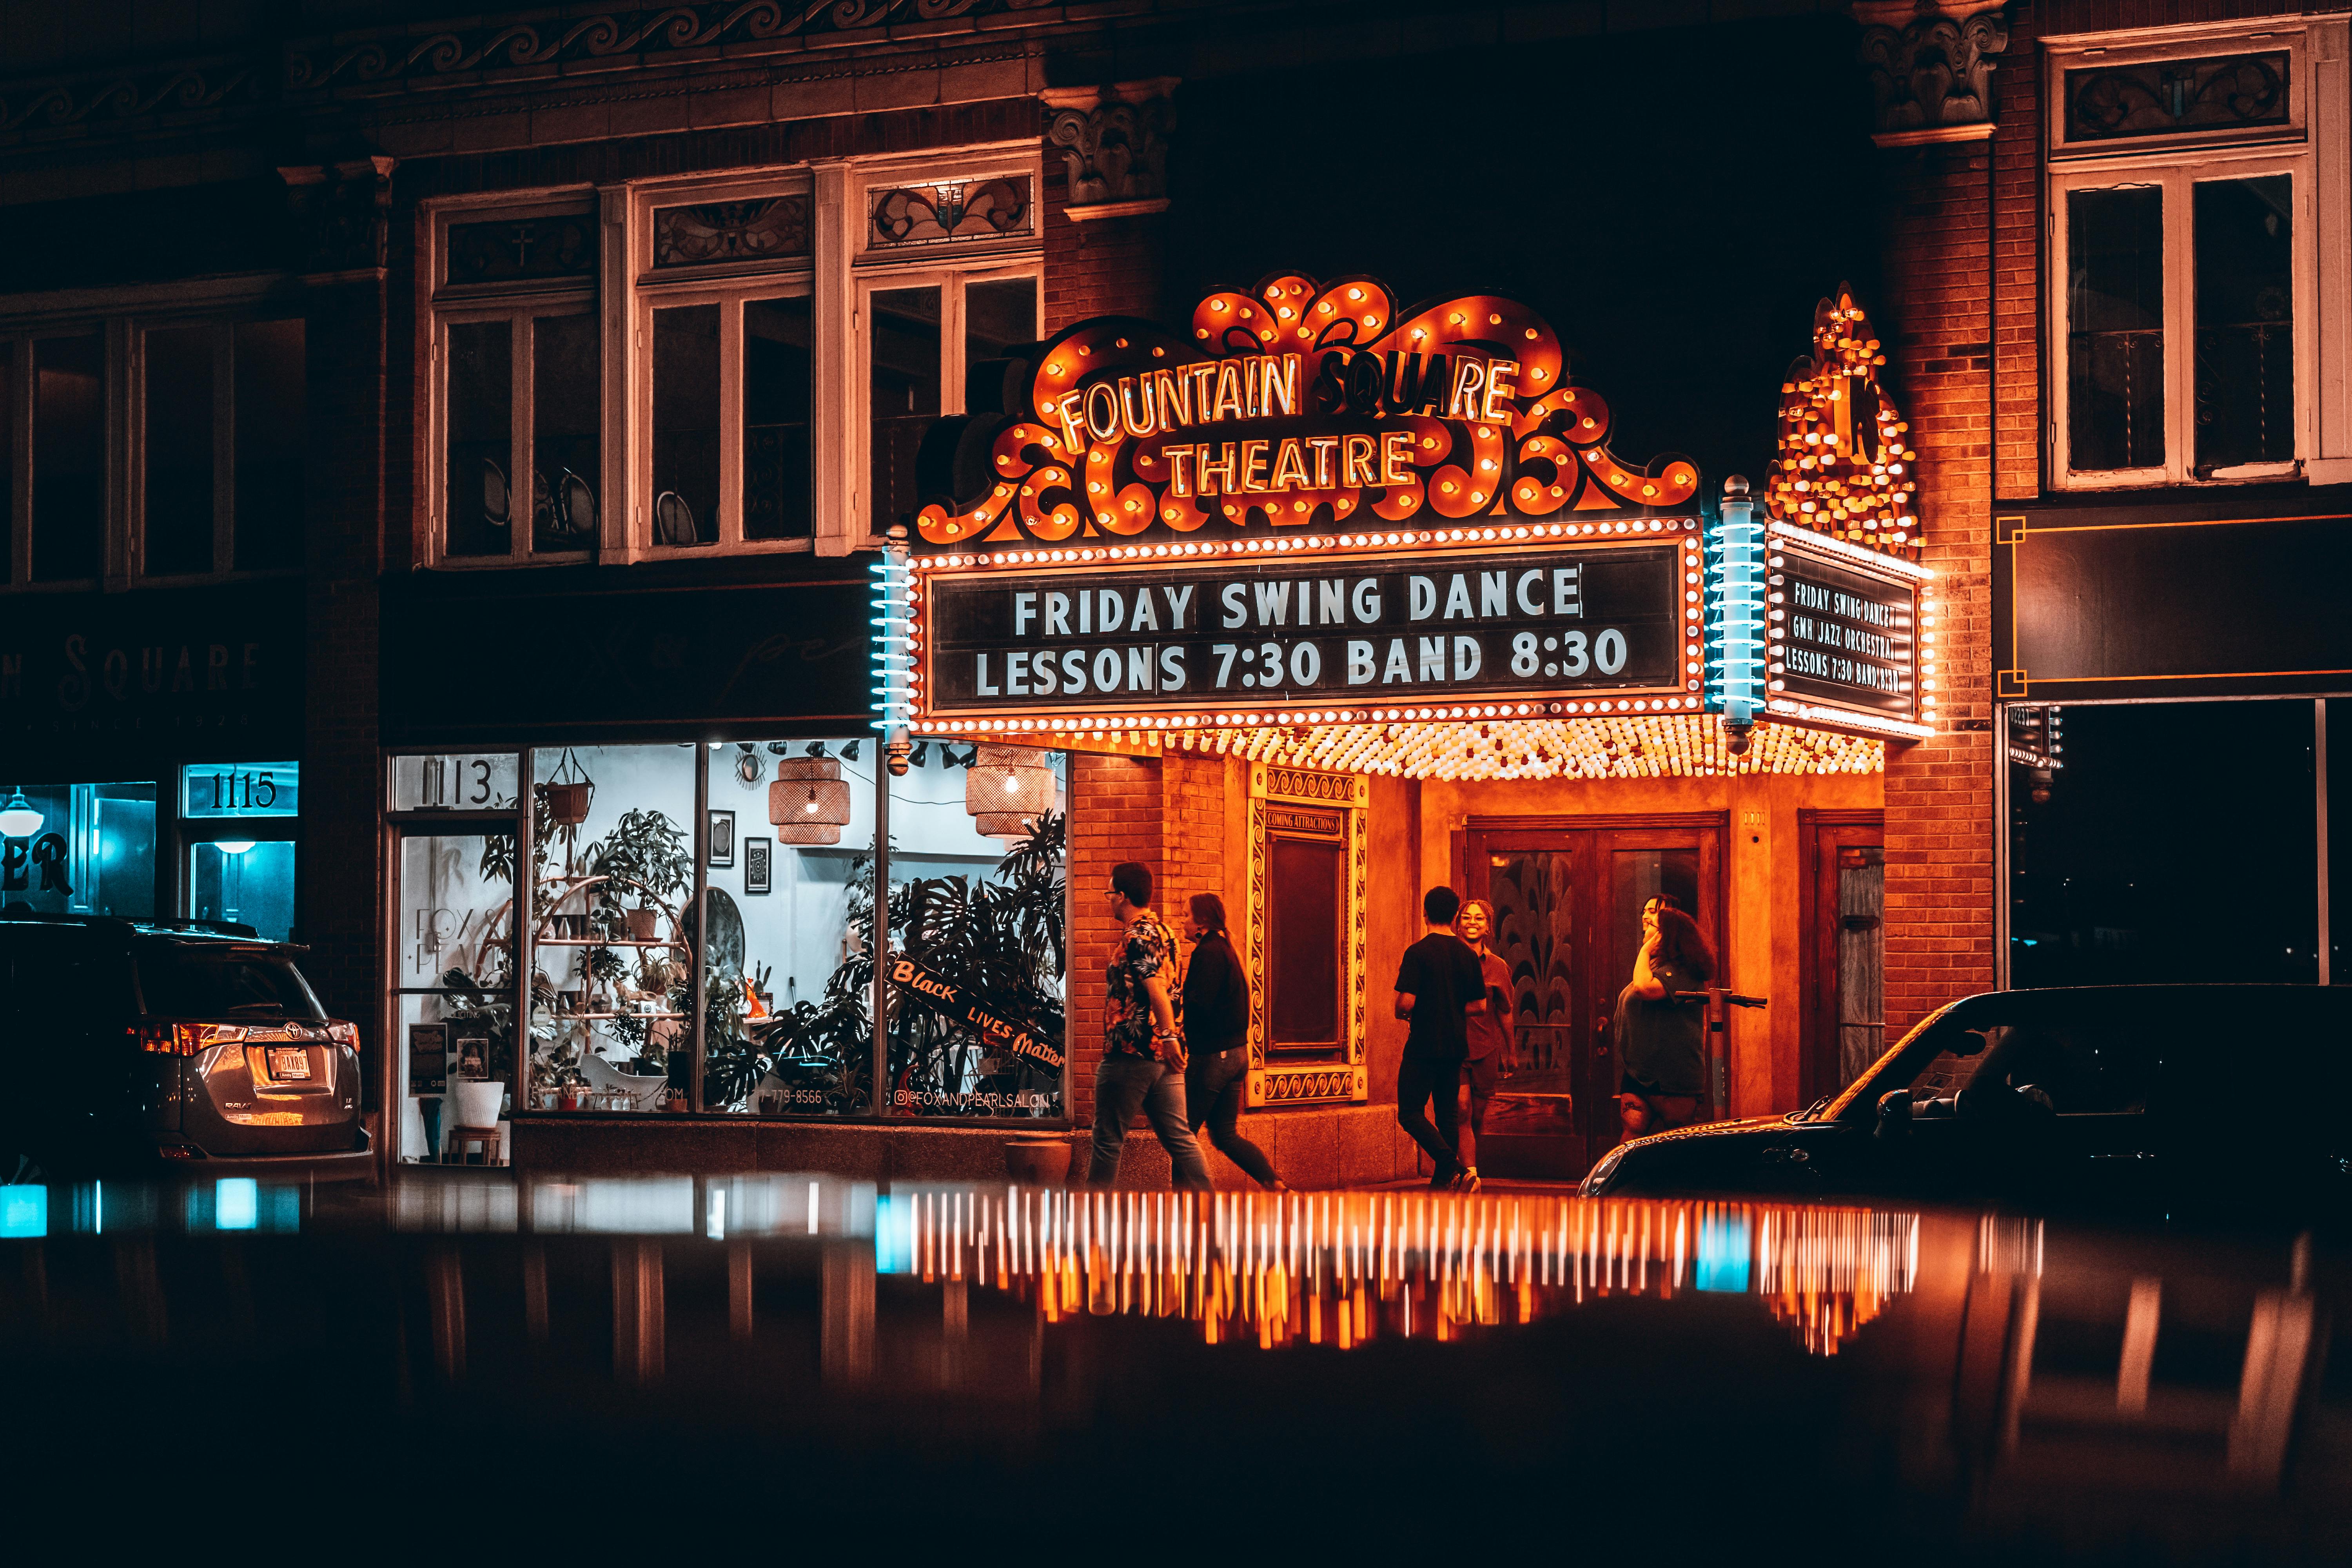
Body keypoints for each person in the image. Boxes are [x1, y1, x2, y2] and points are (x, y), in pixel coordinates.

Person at [1088, 861, 1211, 1189]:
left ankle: (1087, 1231)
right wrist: (1171, 1040)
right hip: (1165, 1059)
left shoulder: (1136, 936)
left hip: (1132, 1052)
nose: (1108, 899)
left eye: (1110, 893)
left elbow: (1155, 986)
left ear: (1123, 896)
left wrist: (1167, 1034)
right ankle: (1213, 1215)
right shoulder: (1166, 932)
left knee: (1107, 1141)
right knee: (1181, 1140)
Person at [1179, 893, 1286, 1191]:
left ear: (1201, 922)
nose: (1182, 922)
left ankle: (1185, 1212)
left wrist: (1176, 1001)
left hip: (1214, 1057)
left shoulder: (1208, 952)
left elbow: (1202, 1005)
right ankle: (1276, 1185)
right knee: (1225, 1135)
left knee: (1182, 1136)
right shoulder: (1225, 948)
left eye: (1185, 915)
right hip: (1236, 1055)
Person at [1393, 886, 1487, 1190]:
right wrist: (1449, 1004)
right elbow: (1480, 1005)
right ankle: (1443, 1180)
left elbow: (1406, 1003)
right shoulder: (1468, 955)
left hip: (1424, 1044)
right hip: (1455, 1045)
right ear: (1456, 917)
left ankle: (1453, 1167)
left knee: (1409, 1112)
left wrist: (1414, 1009)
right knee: (1447, 1115)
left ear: (1425, 914)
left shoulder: (1418, 952)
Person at [1615, 897, 1715, 1140]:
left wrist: (1645, 949)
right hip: (1638, 1073)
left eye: (1653, 924)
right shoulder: (1655, 967)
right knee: (1631, 1135)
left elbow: (1644, 989)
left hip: (1672, 1077)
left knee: (1677, 1140)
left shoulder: (1684, 971)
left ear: (1665, 936)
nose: (1646, 923)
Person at [1454, 898, 1519, 1179]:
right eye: (1467, 917)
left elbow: (1505, 1013)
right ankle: (1470, 1175)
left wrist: (1512, 1053)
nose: (1472, 922)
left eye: (1479, 918)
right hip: (1454, 1050)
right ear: (1458, 924)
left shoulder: (1498, 967)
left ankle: (1465, 1164)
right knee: (1462, 1109)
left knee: (1477, 1115)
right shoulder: (1450, 959)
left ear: (1488, 926)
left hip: (1485, 1051)